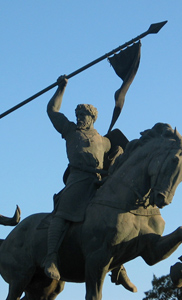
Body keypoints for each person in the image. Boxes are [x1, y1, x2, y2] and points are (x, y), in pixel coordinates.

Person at [44, 75, 137, 292]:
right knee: (64, 212)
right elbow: (52, 111)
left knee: (115, 220)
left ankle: (118, 268)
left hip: (98, 181)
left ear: (92, 117)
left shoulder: (103, 141)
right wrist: (61, 89)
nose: (79, 119)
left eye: (83, 115)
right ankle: (50, 257)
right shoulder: (70, 131)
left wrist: (118, 155)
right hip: (77, 180)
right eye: (77, 115)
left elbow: (118, 156)